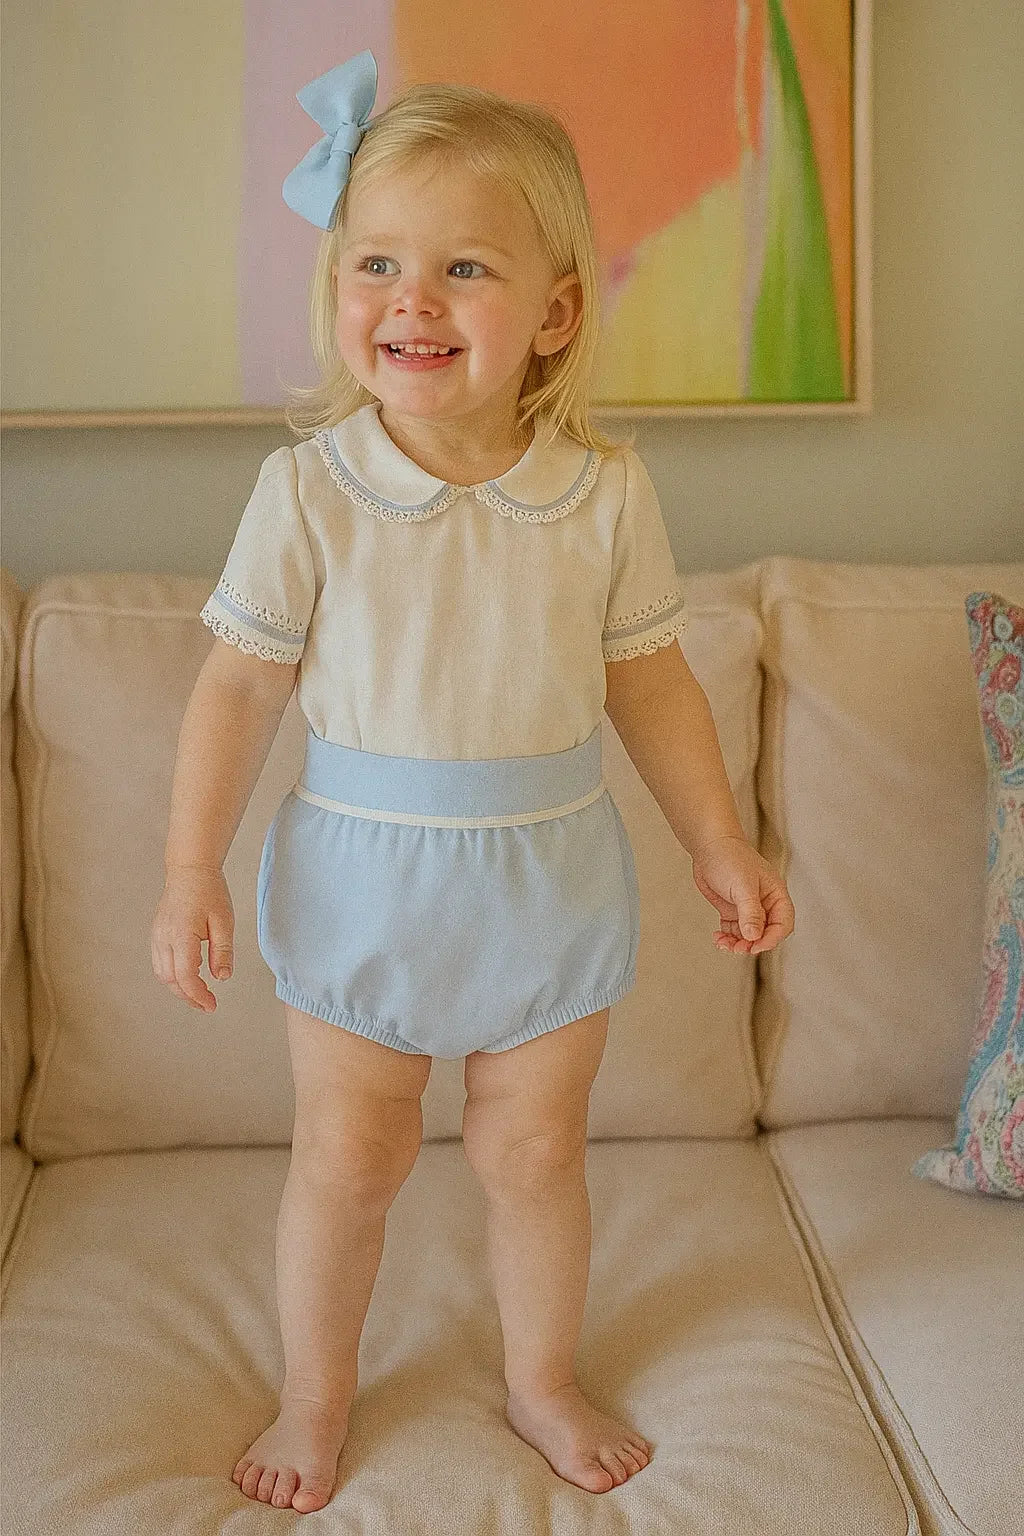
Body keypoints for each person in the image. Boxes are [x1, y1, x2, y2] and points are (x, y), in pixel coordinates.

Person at [151, 50, 795, 1515]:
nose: (413, 301)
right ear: (338, 287)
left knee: (537, 1152)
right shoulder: (308, 491)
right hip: (363, 894)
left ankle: (542, 1379)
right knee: (348, 1159)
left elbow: (651, 681)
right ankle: (314, 1399)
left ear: (555, 311)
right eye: (376, 263)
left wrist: (720, 839)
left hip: (543, 892)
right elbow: (237, 687)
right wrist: (191, 870)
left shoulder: (602, 493)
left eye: (463, 268)